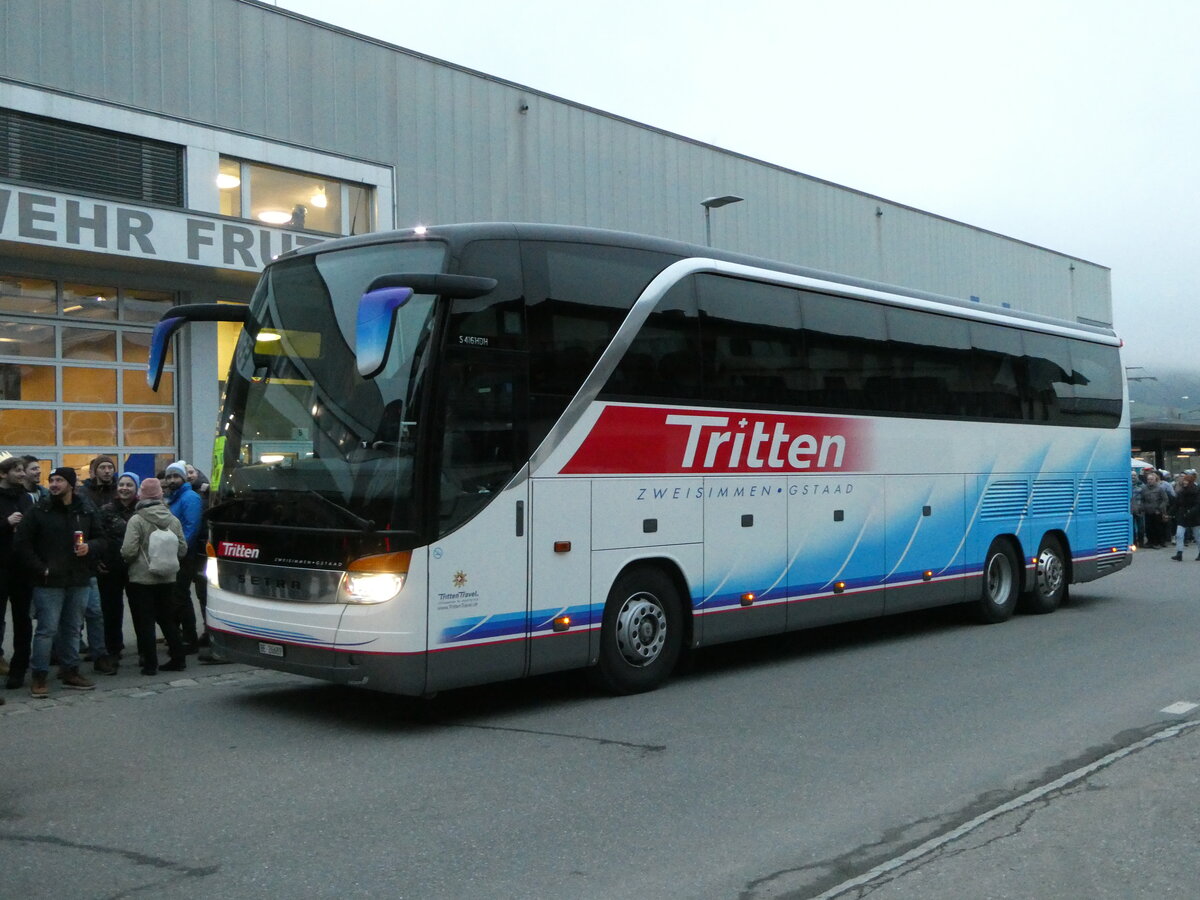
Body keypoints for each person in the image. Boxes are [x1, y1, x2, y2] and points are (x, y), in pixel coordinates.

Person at [14, 467, 104, 697]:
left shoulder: (84, 508)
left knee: (73, 628)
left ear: (71, 484)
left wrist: (90, 547)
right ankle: (39, 676)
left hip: (79, 577)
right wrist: (41, 568)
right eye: (51, 480)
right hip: (49, 581)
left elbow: (102, 537)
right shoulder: (39, 510)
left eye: (59, 480)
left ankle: (70, 671)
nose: (54, 484)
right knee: (47, 630)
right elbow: (23, 544)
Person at [121, 477, 188, 675]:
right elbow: (183, 549)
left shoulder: (137, 519)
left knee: (145, 622)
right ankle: (178, 658)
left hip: (141, 579)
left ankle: (150, 664)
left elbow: (128, 550)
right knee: (167, 619)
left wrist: (130, 561)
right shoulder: (172, 519)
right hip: (167, 578)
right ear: (160, 495)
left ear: (140, 495)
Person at [97, 472, 141, 662]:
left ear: (136, 488)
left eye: (129, 485)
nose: (124, 488)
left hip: (136, 567)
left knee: (141, 610)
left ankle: (145, 650)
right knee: (111, 610)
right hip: (110, 567)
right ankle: (113, 649)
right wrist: (97, 559)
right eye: (121, 484)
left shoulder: (142, 510)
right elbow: (97, 535)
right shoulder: (106, 510)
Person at [1, 456, 34, 689]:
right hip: (0, 568)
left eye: (23, 470)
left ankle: (18, 670)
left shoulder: (26, 497)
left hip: (22, 569)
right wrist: (5, 523)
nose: (22, 474)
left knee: (23, 621)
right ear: (3, 474)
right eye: (17, 470)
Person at [164, 460, 204, 652]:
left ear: (183, 478)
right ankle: (184, 637)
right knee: (175, 597)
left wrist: (180, 549)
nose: (172, 480)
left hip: (184, 555)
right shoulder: (174, 497)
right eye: (169, 476)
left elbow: (191, 527)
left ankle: (190, 639)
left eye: (175, 476)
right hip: (174, 554)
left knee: (181, 596)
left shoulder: (189, 498)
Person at [1170, 471, 1200, 561]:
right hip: (1183, 515)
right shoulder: (1181, 492)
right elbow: (1176, 504)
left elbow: (1198, 505)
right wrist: (1168, 513)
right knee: (1179, 535)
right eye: (1184, 480)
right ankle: (1179, 553)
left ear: (1190, 481)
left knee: (1198, 536)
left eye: (1186, 480)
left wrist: (1190, 512)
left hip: (1194, 516)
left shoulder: (1197, 491)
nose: (1184, 482)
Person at [1138, 470, 1171, 549]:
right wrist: (1142, 507)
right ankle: (1150, 541)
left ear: (1155, 480)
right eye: (1148, 479)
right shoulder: (1144, 489)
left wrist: (1160, 508)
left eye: (1151, 479)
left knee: (1157, 528)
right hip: (1147, 511)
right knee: (1148, 528)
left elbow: (1165, 500)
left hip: (1157, 512)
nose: (1149, 481)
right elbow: (1142, 499)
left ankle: (1158, 542)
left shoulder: (1160, 489)